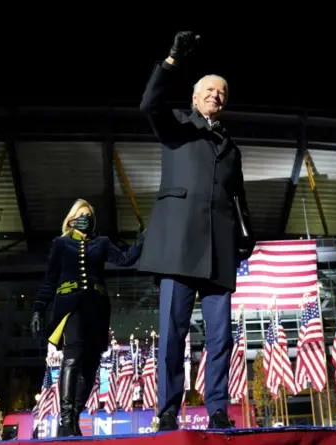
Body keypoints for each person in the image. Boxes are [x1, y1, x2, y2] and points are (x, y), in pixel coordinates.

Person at [137, 31, 255, 431]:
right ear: (193, 97)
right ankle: (168, 408)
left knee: (221, 338)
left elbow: (238, 196)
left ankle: (218, 407)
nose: (215, 95)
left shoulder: (232, 147)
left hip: (220, 251)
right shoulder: (177, 128)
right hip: (179, 248)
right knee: (173, 335)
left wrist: (247, 235)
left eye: (221, 92)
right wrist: (172, 59)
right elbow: (149, 104)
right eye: (208, 89)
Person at [30, 198, 145, 437]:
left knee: (92, 364)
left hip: (96, 308)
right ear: (72, 219)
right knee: (73, 356)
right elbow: (51, 278)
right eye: (82, 214)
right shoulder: (61, 244)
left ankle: (76, 413)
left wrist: (140, 243)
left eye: (89, 215)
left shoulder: (101, 242)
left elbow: (124, 259)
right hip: (70, 307)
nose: (86, 218)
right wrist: (39, 308)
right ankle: (66, 420)